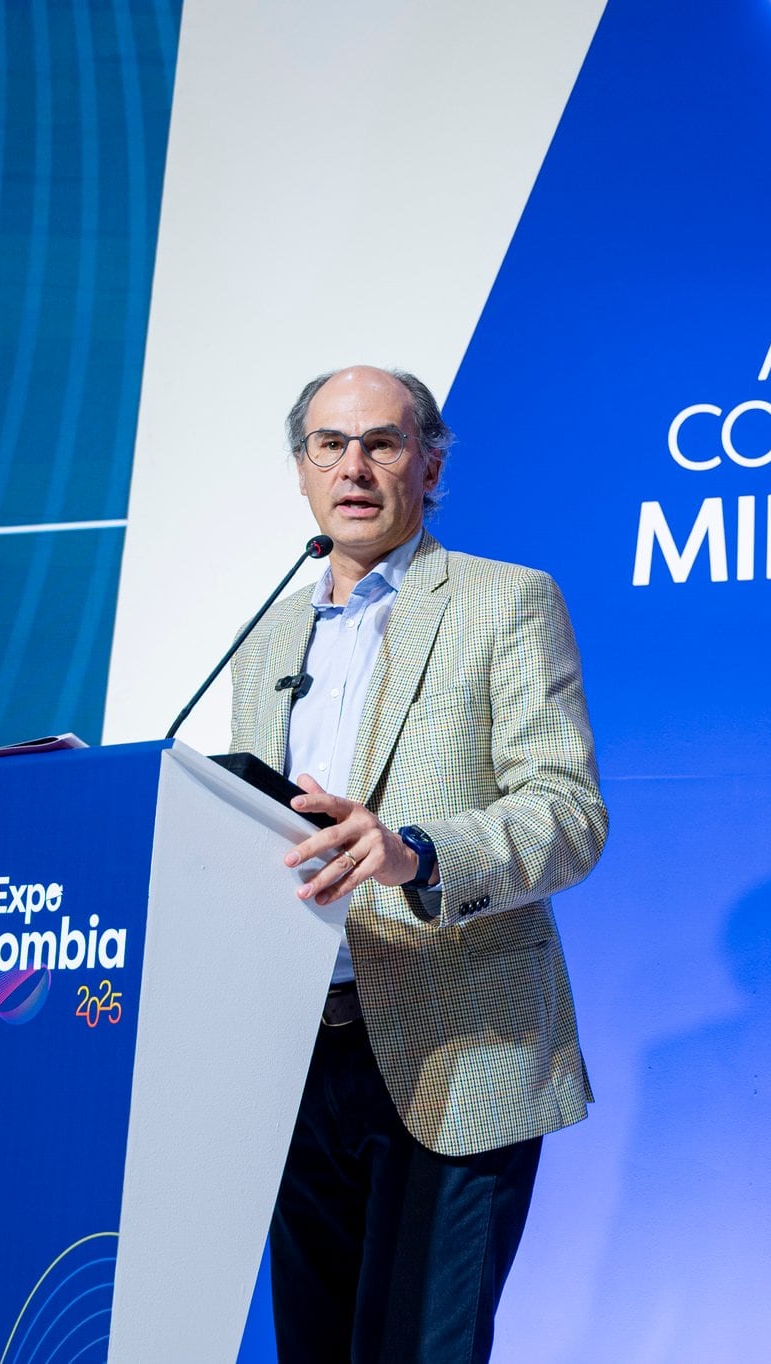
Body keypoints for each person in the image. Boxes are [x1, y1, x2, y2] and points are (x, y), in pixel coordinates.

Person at [226, 365, 606, 1363]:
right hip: (297, 1055)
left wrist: (418, 853)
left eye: (382, 443)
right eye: (329, 445)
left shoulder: (504, 600)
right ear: (302, 469)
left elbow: (568, 814)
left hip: (457, 1046)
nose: (353, 467)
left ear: (429, 467)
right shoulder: (265, 637)